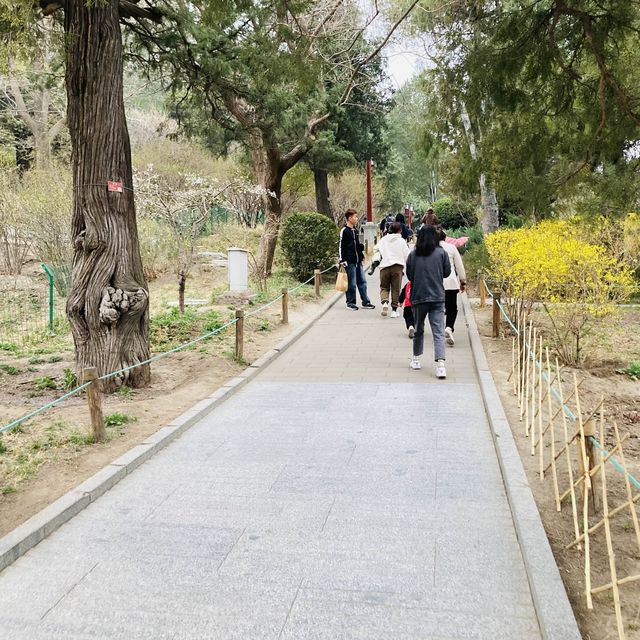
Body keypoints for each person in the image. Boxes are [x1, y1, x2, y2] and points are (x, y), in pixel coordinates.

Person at [405, 225, 451, 378]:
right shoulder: (441, 253)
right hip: (437, 296)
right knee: (438, 331)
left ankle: (416, 359)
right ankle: (440, 366)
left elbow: (410, 275)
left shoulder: (413, 255)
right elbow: (447, 273)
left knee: (418, 329)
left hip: (419, 296)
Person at [339, 209, 375, 311]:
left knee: (362, 282)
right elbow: (341, 247)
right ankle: (350, 303)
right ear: (349, 218)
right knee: (351, 283)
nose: (356, 218)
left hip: (358, 261)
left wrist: (362, 256)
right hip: (349, 262)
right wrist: (342, 260)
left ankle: (366, 302)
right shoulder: (344, 231)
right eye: (355, 217)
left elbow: (358, 246)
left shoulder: (355, 230)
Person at [372, 221, 410, 317]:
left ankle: (385, 303)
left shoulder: (384, 239)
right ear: (400, 230)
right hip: (397, 267)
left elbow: (375, 248)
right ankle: (394, 310)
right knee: (395, 289)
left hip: (384, 267)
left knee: (384, 287)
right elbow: (407, 255)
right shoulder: (401, 241)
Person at [438, 226, 467, 346]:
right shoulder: (451, 248)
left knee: (438, 308)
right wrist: (462, 281)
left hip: (435, 283)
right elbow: (459, 266)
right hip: (450, 282)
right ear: (446, 238)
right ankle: (449, 327)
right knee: (452, 308)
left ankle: (438, 329)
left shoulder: (431, 249)